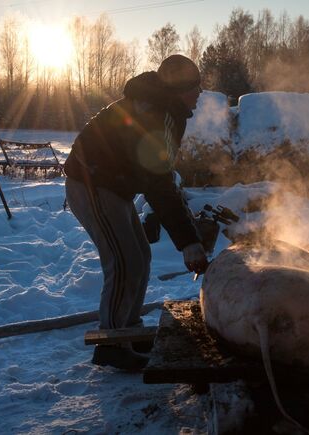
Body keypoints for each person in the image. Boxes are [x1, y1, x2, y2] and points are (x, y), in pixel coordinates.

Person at [64, 55, 209, 371]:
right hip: (91, 184)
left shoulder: (164, 108)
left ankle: (128, 329)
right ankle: (113, 344)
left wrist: (188, 236)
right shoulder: (155, 114)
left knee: (140, 255)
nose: (200, 92)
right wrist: (188, 241)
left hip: (112, 186)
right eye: (196, 86)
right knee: (124, 259)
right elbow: (158, 183)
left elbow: (161, 175)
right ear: (181, 88)